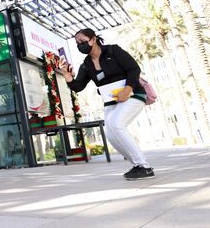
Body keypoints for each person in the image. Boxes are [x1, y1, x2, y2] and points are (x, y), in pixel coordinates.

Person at [59, 28, 155, 180]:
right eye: (77, 43)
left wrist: (127, 90)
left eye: (83, 41)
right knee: (111, 134)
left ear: (93, 39)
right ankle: (138, 165)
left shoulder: (112, 50)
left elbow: (133, 68)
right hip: (111, 102)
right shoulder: (86, 64)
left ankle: (145, 166)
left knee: (117, 123)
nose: (80, 45)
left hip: (132, 94)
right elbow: (78, 86)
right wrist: (66, 75)